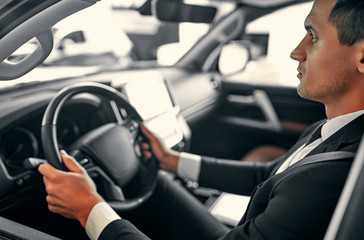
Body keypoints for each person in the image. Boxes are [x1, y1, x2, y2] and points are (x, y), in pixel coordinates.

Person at [38, 0, 364, 239]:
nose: (296, 51)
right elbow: (267, 174)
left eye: (313, 36)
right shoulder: (335, 130)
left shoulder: (329, 177)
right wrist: (171, 160)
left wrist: (89, 209)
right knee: (158, 183)